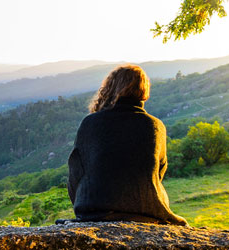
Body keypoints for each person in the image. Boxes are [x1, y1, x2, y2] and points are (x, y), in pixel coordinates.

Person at [66, 64, 188, 226]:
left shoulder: (90, 123)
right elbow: (158, 172)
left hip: (94, 210)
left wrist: (87, 203)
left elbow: (76, 172)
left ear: (109, 88)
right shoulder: (156, 126)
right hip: (147, 211)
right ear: (144, 91)